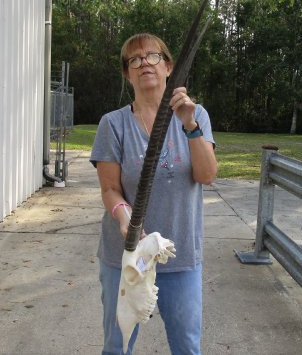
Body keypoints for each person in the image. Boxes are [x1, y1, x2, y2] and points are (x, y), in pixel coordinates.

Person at [90, 33, 218, 355]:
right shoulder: (113, 124)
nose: (145, 62)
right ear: (126, 72)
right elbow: (110, 188)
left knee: (187, 347)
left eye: (153, 56)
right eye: (135, 59)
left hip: (181, 255)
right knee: (116, 346)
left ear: (168, 65)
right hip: (128, 256)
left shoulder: (196, 115)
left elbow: (206, 175)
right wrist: (125, 218)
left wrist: (190, 126)